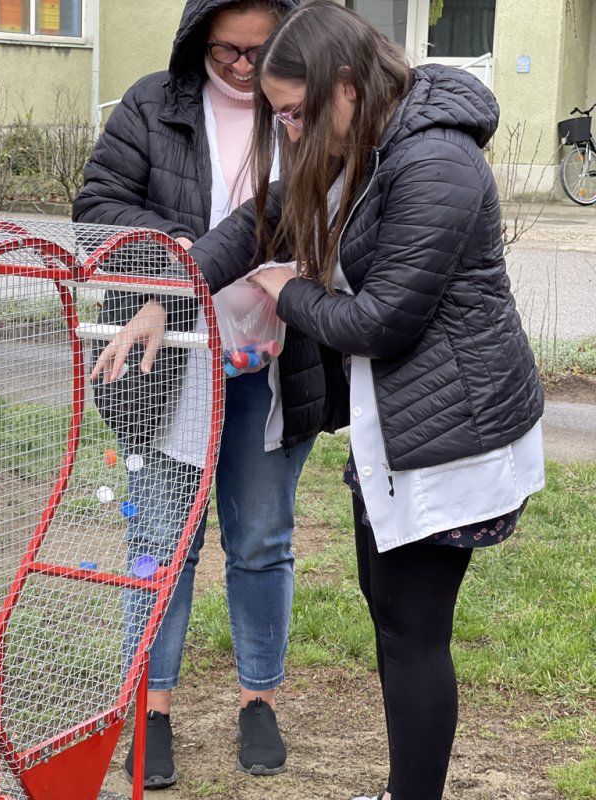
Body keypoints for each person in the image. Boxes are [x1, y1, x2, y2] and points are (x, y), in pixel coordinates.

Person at [172, 2, 546, 799]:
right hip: (398, 425)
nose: (290, 132)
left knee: (413, 631)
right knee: (389, 610)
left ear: (345, 85)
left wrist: (289, 291)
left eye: (295, 112)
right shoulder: (360, 141)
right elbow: (265, 218)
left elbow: (381, 321)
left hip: (451, 430)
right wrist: (170, 290)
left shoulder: (436, 161)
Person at [74, 0, 348, 789]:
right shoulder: (151, 105)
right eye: (229, 50)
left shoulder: (305, 111)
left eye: (262, 51)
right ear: (200, 39)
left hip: (274, 361)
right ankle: (151, 709)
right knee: (162, 542)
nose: (244, 67)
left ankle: (259, 700)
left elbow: (334, 212)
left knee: (261, 539)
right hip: (168, 365)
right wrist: (177, 259)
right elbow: (97, 211)